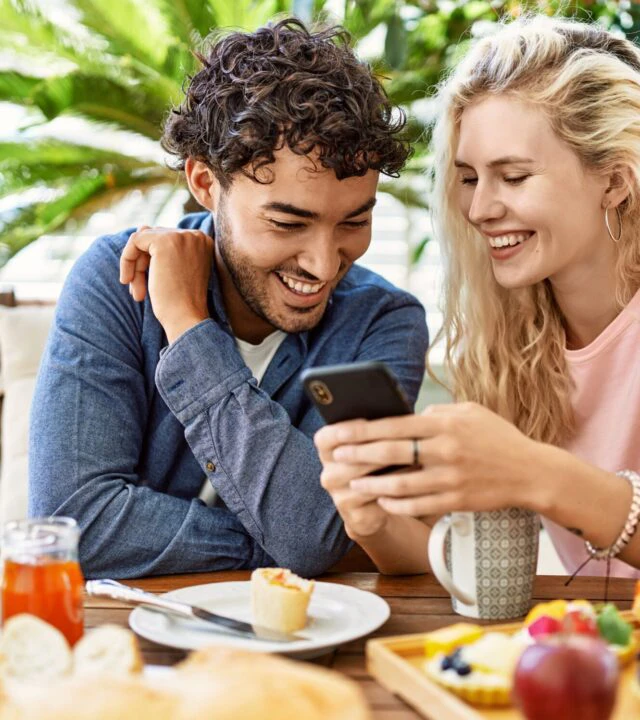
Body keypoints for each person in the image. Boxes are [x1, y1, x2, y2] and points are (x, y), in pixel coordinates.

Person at [29, 18, 429, 579]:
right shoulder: (117, 284)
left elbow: (317, 534)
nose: (323, 264)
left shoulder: (382, 325)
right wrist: (280, 544)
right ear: (205, 182)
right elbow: (77, 527)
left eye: (353, 221)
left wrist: (190, 328)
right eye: (289, 222)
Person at [316, 15, 640, 578]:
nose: (480, 208)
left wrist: (532, 471)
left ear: (613, 181)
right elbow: (472, 568)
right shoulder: (515, 339)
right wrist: (373, 522)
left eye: (512, 177)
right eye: (469, 178)